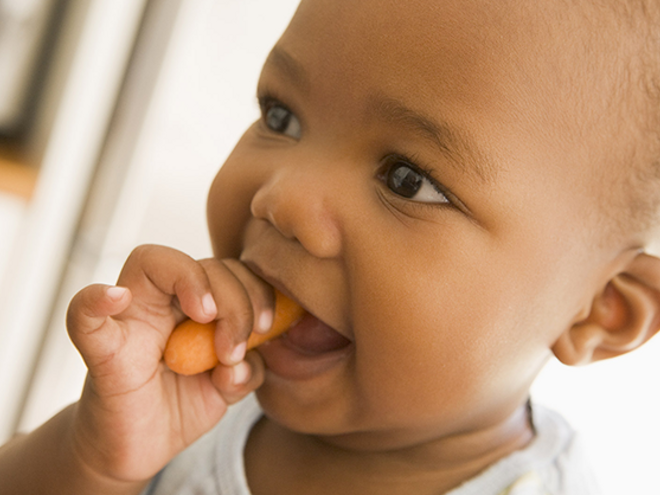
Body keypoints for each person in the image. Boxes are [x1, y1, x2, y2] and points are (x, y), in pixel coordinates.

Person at [1, 0, 659, 493]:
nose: (281, 198)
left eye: (409, 180)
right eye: (281, 115)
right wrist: (93, 456)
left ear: (600, 309)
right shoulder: (192, 409)